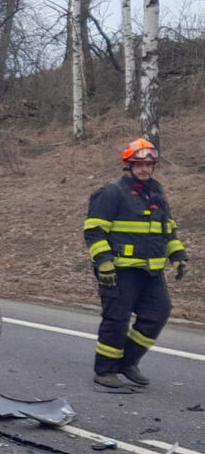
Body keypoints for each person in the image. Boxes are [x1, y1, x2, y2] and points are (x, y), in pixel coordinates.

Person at [83, 138, 188, 388]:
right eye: (139, 164)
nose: (145, 169)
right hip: (120, 271)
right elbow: (94, 230)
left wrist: (177, 255)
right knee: (117, 320)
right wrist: (104, 261)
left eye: (149, 164)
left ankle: (127, 361)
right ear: (128, 165)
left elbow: (167, 229)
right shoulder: (112, 192)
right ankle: (105, 370)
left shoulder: (156, 190)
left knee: (158, 314)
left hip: (151, 271)